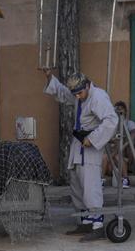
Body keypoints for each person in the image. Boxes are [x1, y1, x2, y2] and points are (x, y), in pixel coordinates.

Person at [45, 71, 120, 236]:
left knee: (90, 185)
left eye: (79, 93)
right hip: (79, 143)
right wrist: (50, 78)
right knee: (77, 185)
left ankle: (97, 225)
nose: (77, 97)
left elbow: (111, 120)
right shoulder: (80, 95)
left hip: (91, 145)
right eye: (76, 94)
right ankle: (85, 221)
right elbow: (65, 93)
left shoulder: (98, 96)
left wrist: (92, 139)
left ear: (87, 85)